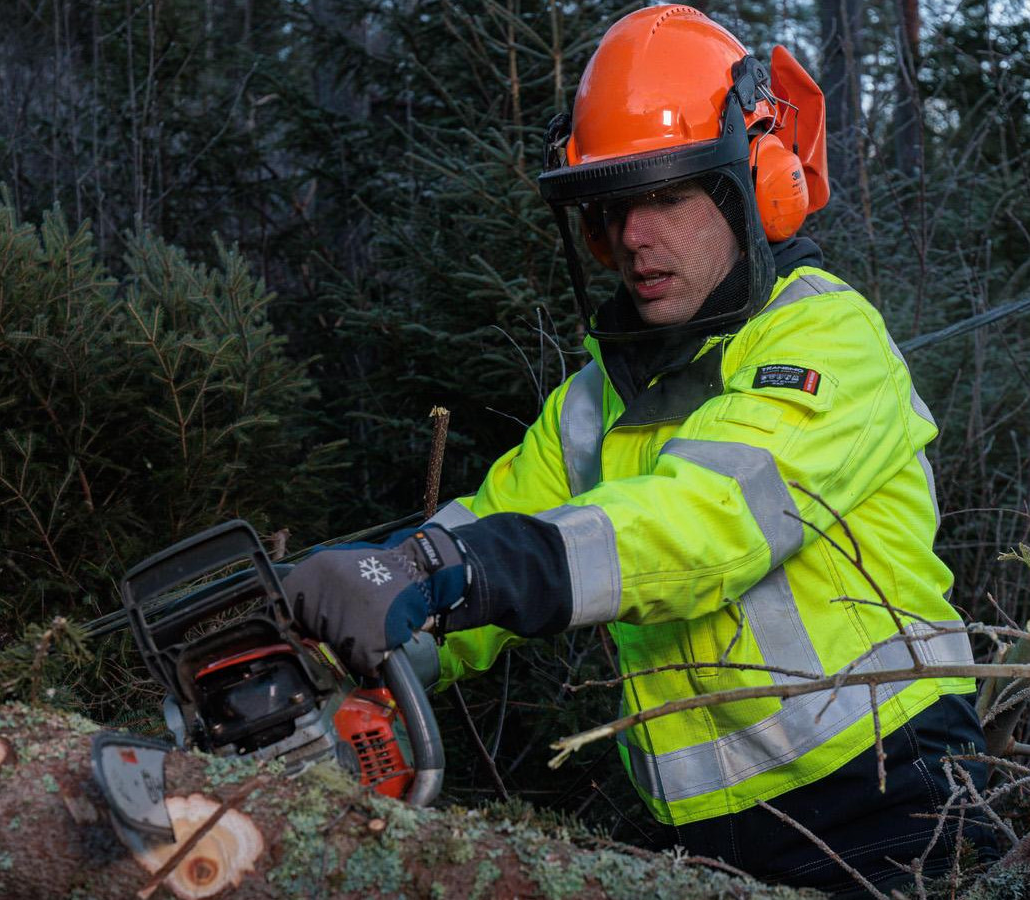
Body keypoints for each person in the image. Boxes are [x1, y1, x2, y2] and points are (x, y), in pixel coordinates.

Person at [284, 6, 998, 895]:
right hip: (703, 844)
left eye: (666, 195)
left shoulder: (825, 340)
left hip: (893, 807)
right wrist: (344, 620)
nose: (631, 237)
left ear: (755, 186)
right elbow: (495, 526)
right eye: (612, 207)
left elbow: (702, 524)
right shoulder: (594, 399)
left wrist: (450, 566)